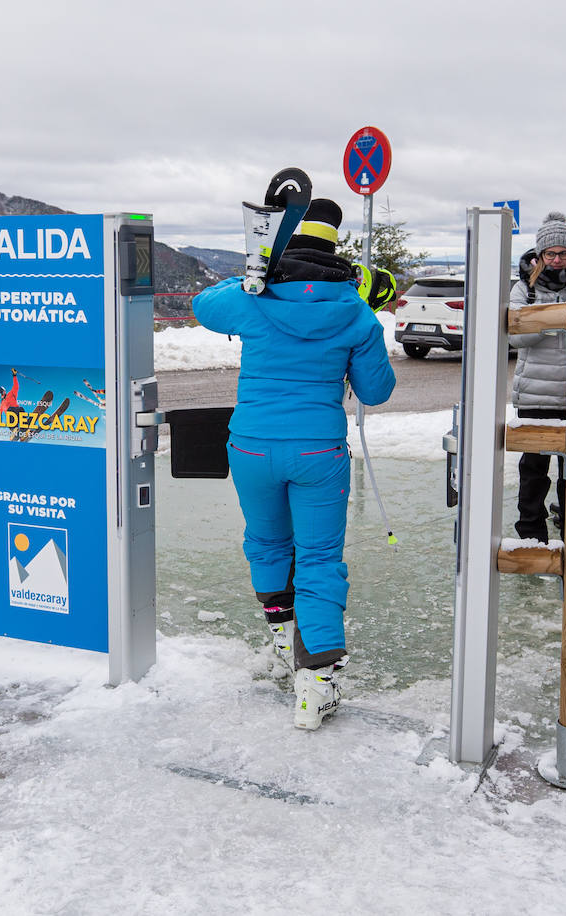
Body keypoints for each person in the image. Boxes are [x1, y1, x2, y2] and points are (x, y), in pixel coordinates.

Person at [192, 198, 395, 730]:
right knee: (320, 558)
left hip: (251, 447)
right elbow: (377, 391)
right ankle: (317, 684)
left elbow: (202, 306)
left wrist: (251, 277)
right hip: (317, 452)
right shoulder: (355, 311)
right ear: (336, 252)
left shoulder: (255, 298)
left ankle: (284, 644)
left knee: (266, 544)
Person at [508, 211, 566, 543]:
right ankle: (530, 533)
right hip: (535, 394)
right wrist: (558, 319)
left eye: (564, 253)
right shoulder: (524, 288)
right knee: (534, 470)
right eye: (551, 253)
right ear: (540, 255)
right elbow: (516, 336)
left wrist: (542, 322)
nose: (558, 259)